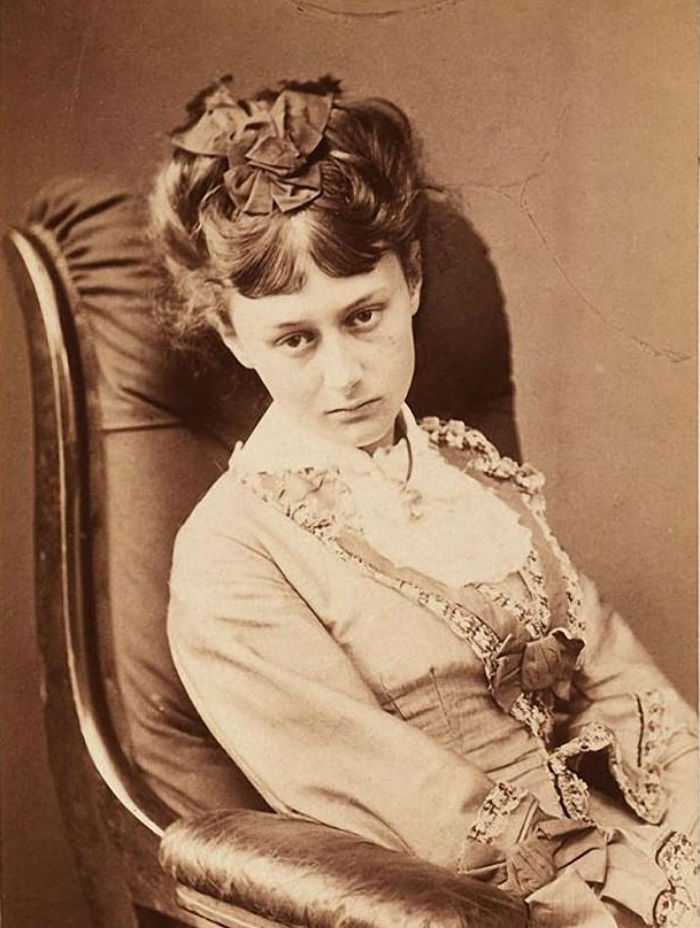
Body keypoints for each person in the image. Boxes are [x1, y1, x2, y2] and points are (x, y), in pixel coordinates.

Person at [149, 75, 698, 927]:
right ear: (234, 337)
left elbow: (623, 680)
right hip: (492, 907)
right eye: (294, 338)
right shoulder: (233, 555)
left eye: (363, 316)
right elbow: (399, 803)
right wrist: (603, 908)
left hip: (649, 853)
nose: (344, 376)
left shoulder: (466, 470)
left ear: (410, 282)